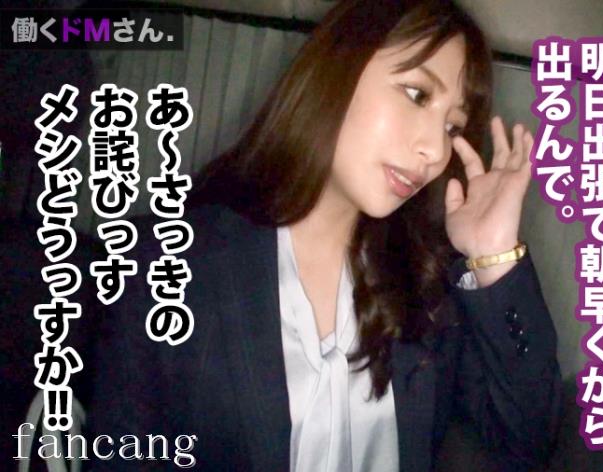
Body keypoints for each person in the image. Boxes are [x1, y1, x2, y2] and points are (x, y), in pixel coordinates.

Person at [88, 0, 562, 470]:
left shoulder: (427, 282)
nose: (435, 150)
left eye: (452, 126)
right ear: (339, 67)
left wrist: (495, 254)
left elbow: (526, 440)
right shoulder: (166, 263)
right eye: (417, 94)